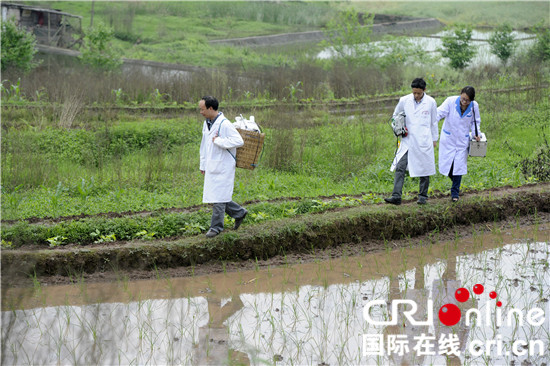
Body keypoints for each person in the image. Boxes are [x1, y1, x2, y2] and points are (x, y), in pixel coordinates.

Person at [199, 96, 247, 238]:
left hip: (223, 165)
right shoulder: (206, 123)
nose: (200, 112)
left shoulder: (224, 124)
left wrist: (219, 141)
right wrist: (203, 164)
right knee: (217, 195)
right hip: (212, 164)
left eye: (202, 109)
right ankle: (239, 213)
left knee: (219, 196)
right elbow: (204, 145)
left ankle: (216, 228)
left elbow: (239, 141)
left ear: (211, 108)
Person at [385, 78, 439, 205]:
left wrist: (434, 139)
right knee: (400, 166)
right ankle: (396, 196)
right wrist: (398, 127)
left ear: (424, 90)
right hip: (407, 140)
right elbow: (395, 116)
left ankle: (422, 196)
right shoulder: (404, 100)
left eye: (419, 93)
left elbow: (434, 122)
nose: (416, 95)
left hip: (423, 140)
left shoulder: (431, 102)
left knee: (425, 169)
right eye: (414, 93)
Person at [436, 86, 481, 202]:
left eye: (467, 100)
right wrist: (429, 121)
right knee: (449, 167)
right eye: (463, 98)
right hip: (448, 140)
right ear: (460, 94)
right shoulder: (450, 101)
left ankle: (455, 193)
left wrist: (477, 134)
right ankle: (455, 185)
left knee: (459, 167)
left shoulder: (474, 106)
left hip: (462, 140)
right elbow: (439, 113)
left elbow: (475, 122)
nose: (464, 102)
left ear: (471, 100)